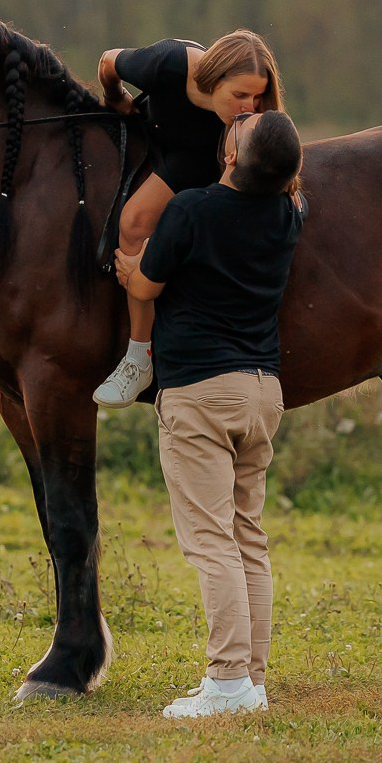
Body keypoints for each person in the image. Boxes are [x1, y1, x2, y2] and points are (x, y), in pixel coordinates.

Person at [118, 110, 306, 718]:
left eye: (243, 126)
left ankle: (227, 683)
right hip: (262, 392)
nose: (239, 118)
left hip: (200, 392)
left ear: (230, 157)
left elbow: (145, 287)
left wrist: (129, 269)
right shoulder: (288, 214)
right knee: (248, 536)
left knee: (211, 541)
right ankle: (251, 681)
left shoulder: (190, 210)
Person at [92, 31, 284, 408]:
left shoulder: (248, 119)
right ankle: (139, 357)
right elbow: (107, 62)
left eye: (257, 97)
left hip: (216, 160)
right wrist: (116, 98)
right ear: (214, 78)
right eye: (240, 95)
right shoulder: (166, 63)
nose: (250, 108)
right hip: (167, 147)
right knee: (133, 222)